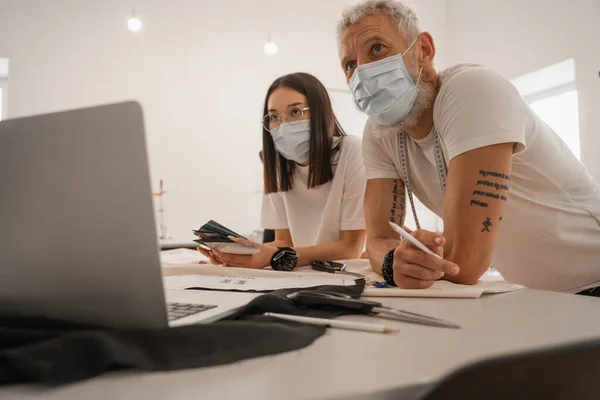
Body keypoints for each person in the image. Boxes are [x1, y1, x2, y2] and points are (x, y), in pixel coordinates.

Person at [337, 0, 600, 294]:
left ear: (423, 49)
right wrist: (393, 261)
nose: (362, 71)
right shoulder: (378, 132)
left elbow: (463, 263)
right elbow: (376, 240)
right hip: (537, 296)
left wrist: (398, 258)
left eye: (376, 48)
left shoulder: (472, 90)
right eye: (350, 65)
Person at [200, 72, 367, 271]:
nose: (284, 124)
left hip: (346, 274)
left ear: (320, 112)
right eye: (273, 117)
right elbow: (284, 242)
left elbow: (350, 249)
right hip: (304, 274)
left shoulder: (352, 151)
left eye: (295, 112)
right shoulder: (279, 166)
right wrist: (239, 252)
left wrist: (273, 256)